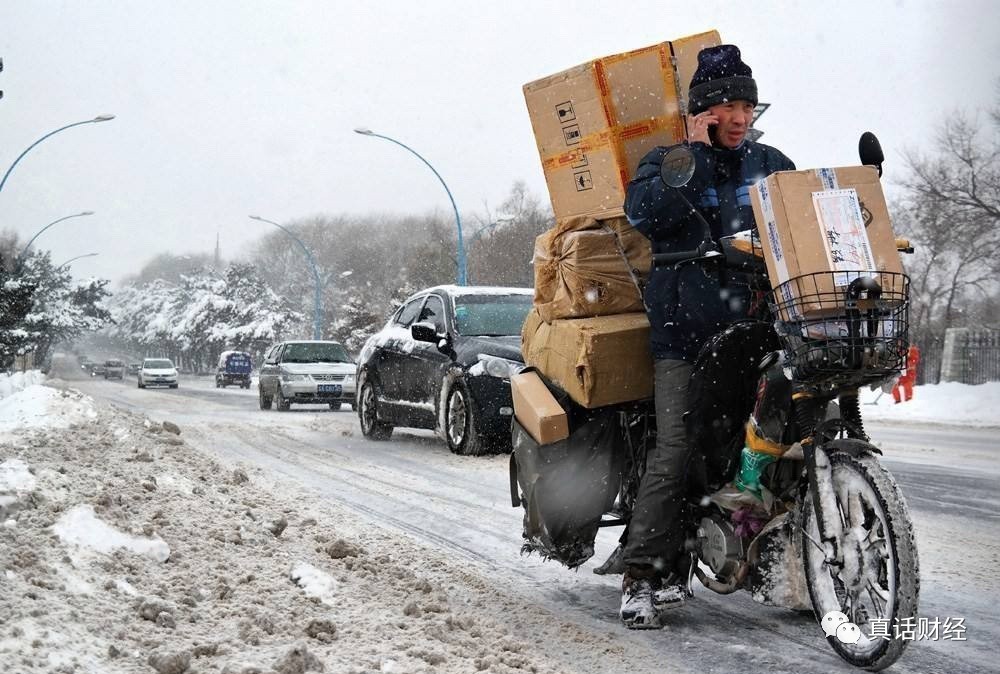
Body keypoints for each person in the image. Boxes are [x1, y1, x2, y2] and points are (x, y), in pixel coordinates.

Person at [618, 44, 795, 629]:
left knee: (782, 439)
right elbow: (643, 213)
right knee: (676, 446)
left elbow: (806, 217)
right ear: (702, 113)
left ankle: (783, 559)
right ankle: (641, 574)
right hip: (687, 333)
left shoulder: (772, 162)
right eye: (727, 106)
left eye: (748, 104)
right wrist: (691, 152)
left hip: (757, 328)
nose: (741, 117)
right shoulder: (668, 161)